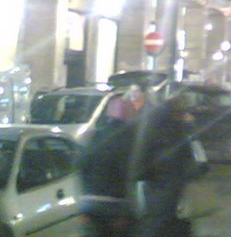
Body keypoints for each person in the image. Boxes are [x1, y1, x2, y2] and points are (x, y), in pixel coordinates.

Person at [131, 95, 199, 237]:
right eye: (182, 112)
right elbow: (188, 153)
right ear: (175, 113)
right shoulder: (174, 130)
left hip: (157, 181)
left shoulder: (157, 125)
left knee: (156, 218)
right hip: (165, 181)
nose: (184, 115)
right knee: (160, 219)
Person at [77, 96, 137, 237]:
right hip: (116, 204)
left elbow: (81, 164)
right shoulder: (129, 139)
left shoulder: (95, 135)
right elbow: (130, 170)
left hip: (90, 203)